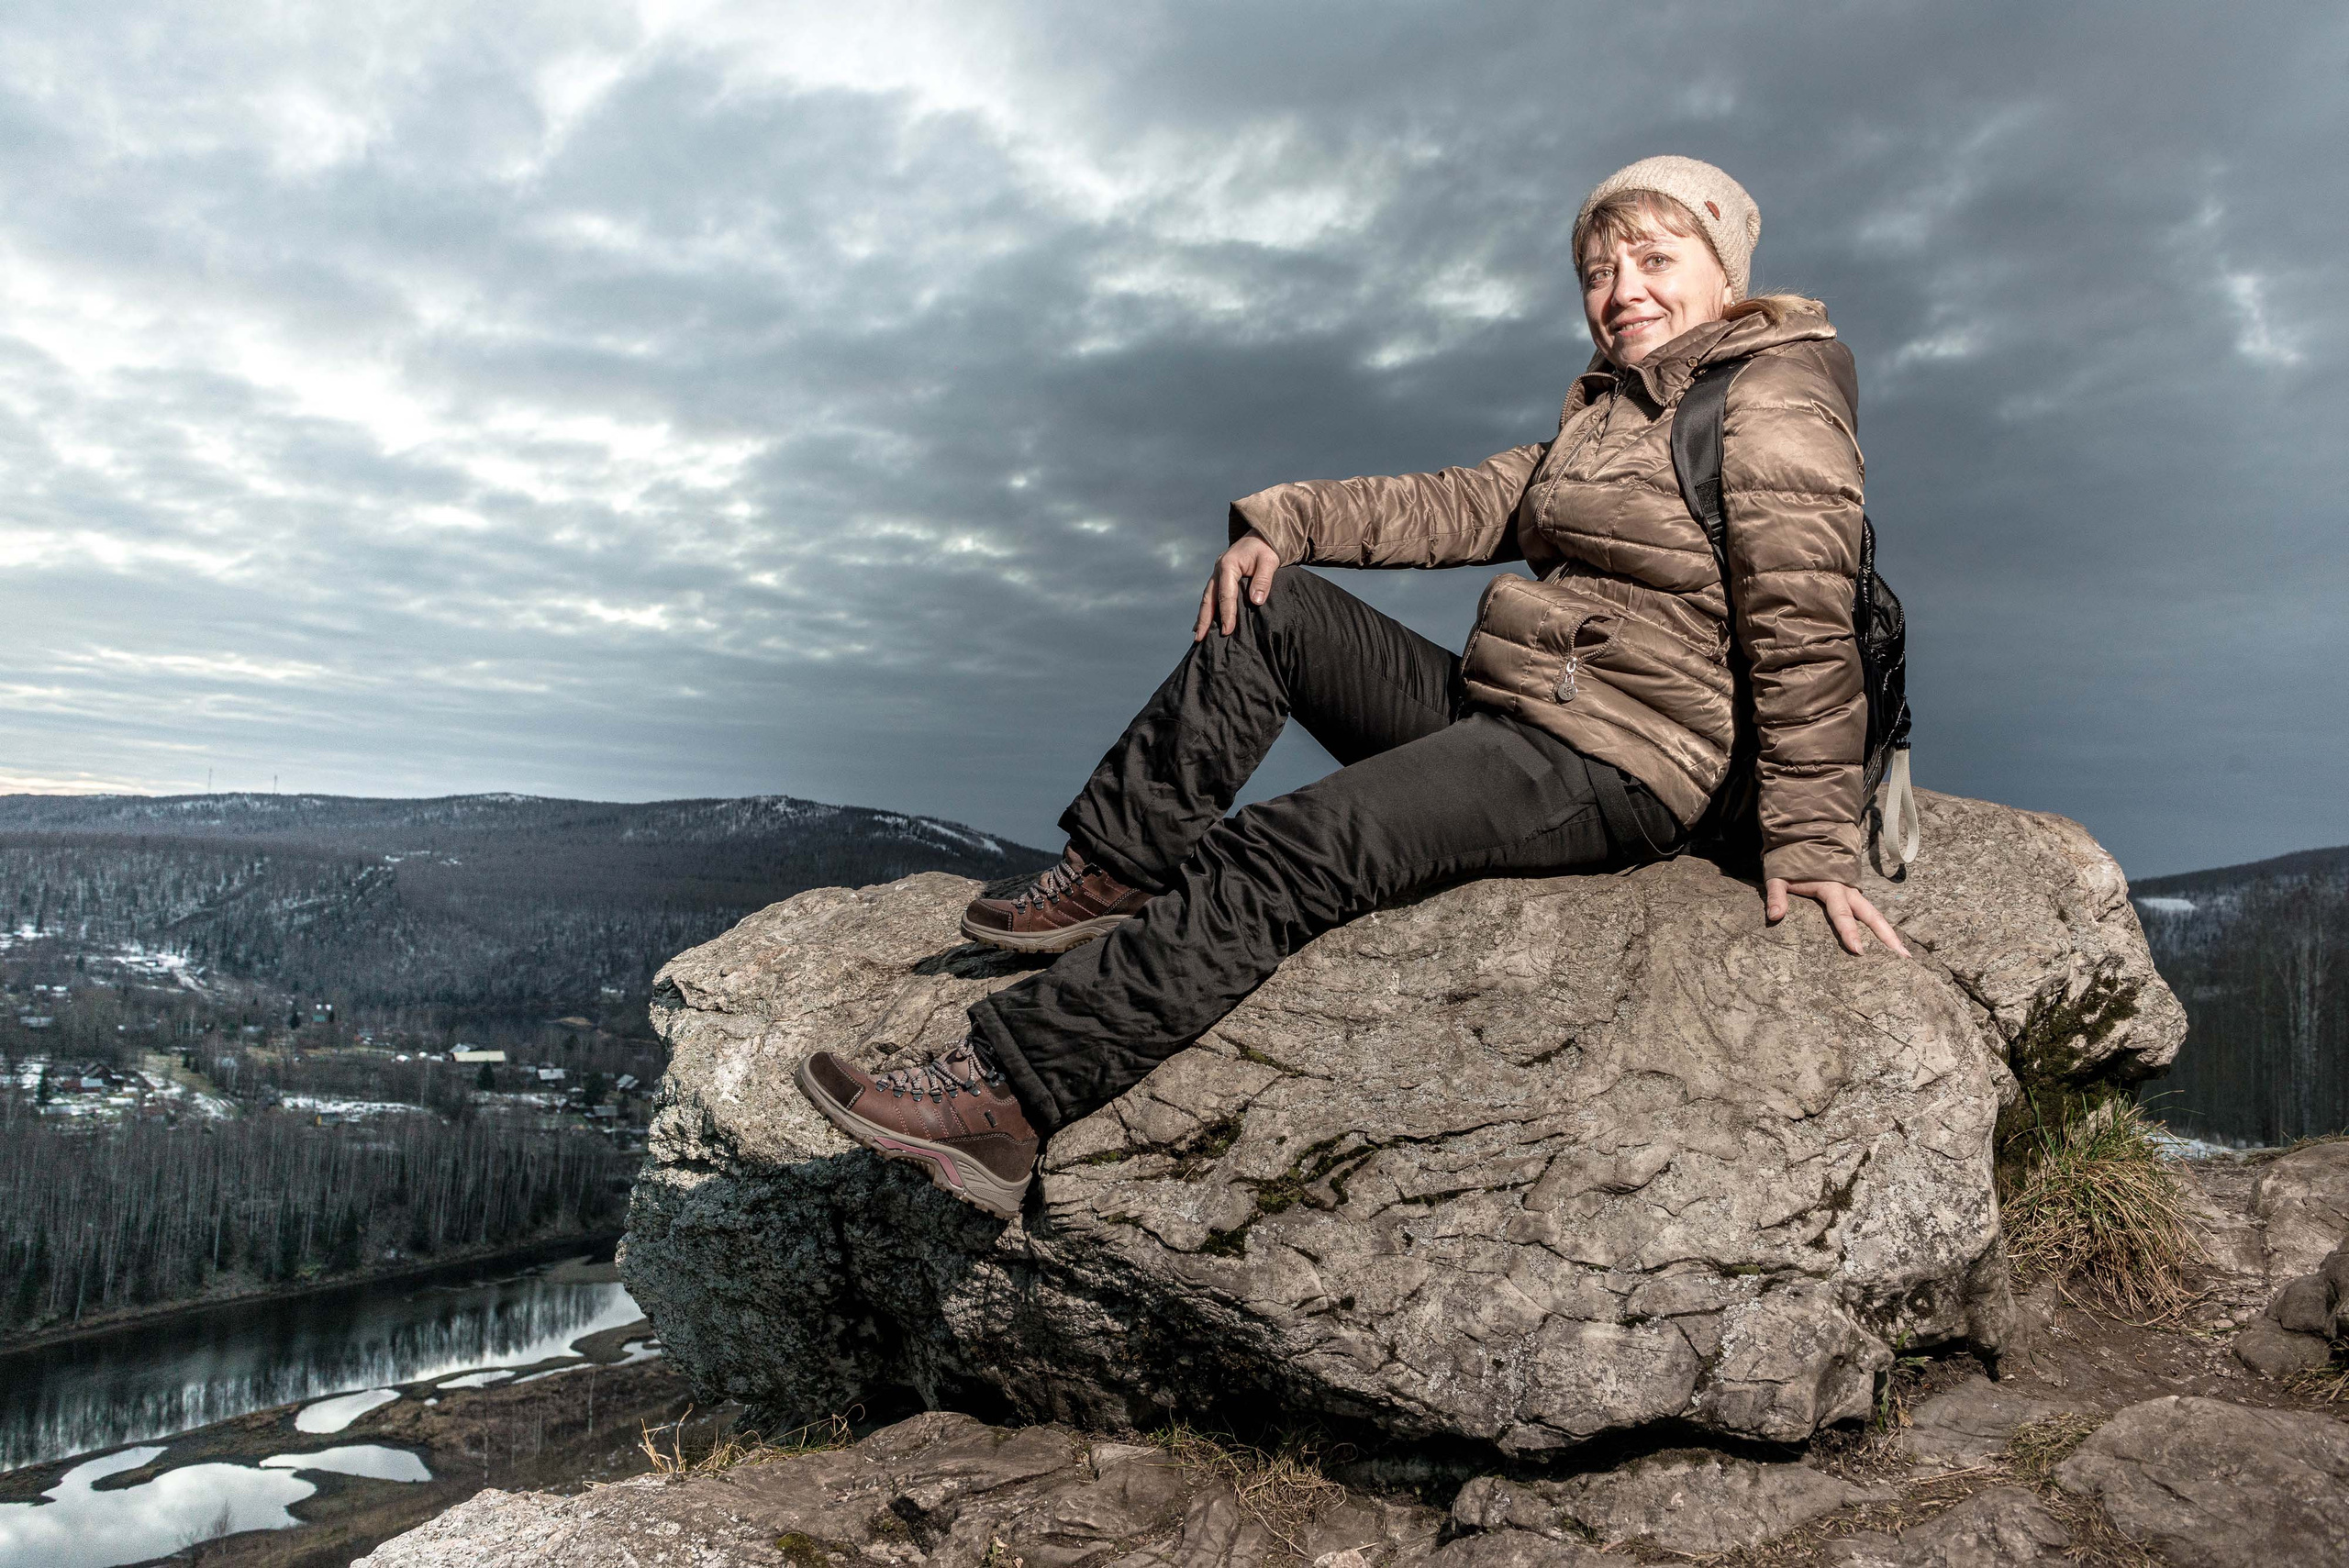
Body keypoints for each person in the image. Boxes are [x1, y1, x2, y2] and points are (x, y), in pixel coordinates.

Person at [796, 155, 1909, 1219]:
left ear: (1727, 274)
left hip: (1625, 755)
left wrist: (1812, 840)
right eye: (1598, 271)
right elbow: (1456, 501)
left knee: (1290, 846)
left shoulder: (1773, 398)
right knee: (1272, 604)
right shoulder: (1617, 412)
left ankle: (1003, 1096)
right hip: (1524, 707)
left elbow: (1804, 625)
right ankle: (1120, 868)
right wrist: (1285, 519)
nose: (1621, 293)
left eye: (1655, 261)